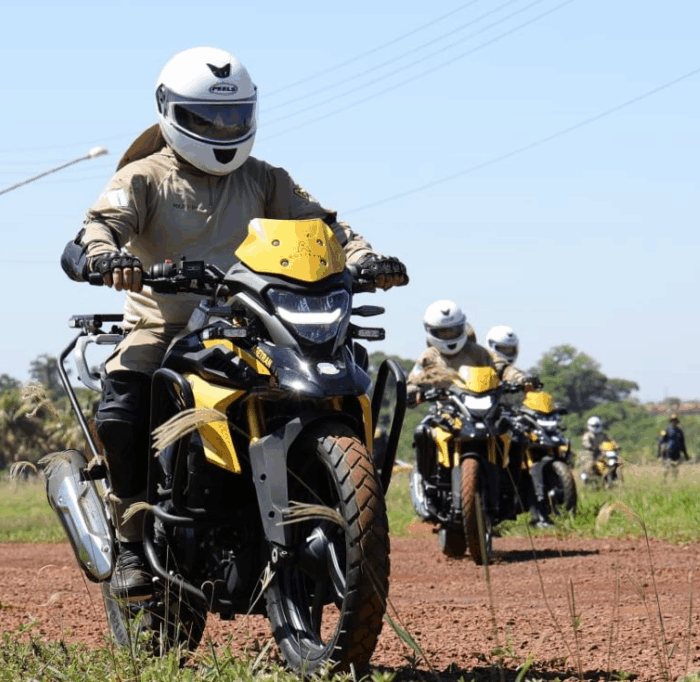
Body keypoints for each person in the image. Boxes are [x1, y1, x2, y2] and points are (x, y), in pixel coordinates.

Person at [60, 47, 408, 600]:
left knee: (343, 372)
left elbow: (326, 228)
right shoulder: (143, 177)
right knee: (124, 401)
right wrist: (107, 258)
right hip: (168, 327)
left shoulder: (267, 180)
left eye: (234, 117)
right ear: (168, 111)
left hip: (256, 323)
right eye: (207, 119)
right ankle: (129, 540)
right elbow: (97, 229)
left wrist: (365, 258)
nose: (223, 129)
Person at [406, 304, 532, 506]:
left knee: (517, 435)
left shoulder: (479, 352)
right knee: (422, 432)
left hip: (484, 409)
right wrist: (413, 392)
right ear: (431, 331)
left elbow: (503, 368)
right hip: (445, 412)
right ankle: (427, 483)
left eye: (453, 330)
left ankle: (512, 489)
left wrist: (521, 378)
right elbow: (413, 381)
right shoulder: (428, 357)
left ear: (463, 327)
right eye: (442, 331)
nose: (449, 335)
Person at [484, 325, 552, 527]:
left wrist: (524, 380)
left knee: (520, 439)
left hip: (499, 416)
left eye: (511, 350)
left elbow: (511, 372)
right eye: (503, 349)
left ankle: (509, 495)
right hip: (474, 415)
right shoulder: (478, 360)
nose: (507, 354)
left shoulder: (502, 366)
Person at [657, 414, 689, 480]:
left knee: (676, 467)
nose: (674, 422)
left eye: (675, 421)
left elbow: (683, 444)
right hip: (668, 451)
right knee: (667, 466)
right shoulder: (666, 430)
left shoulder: (680, 431)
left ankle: (674, 481)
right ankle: (664, 479)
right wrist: (659, 454)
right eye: (672, 421)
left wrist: (686, 455)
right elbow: (660, 441)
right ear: (670, 421)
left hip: (677, 452)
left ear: (677, 422)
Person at [581, 415, 613, 481]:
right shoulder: (587, 435)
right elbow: (585, 442)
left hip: (602, 452)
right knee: (590, 465)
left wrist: (615, 446)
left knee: (613, 461)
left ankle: (611, 477)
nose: (595, 428)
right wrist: (590, 447)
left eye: (597, 426)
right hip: (590, 453)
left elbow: (610, 441)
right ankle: (591, 478)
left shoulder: (603, 435)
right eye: (594, 426)